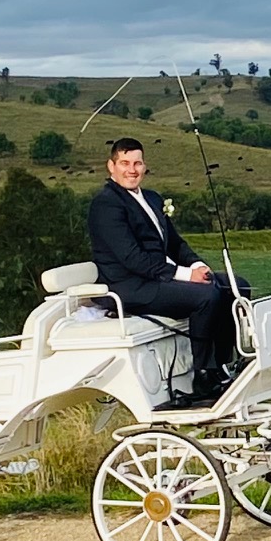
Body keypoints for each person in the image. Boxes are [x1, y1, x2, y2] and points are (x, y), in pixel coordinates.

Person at [86, 137, 245, 409]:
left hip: (157, 277)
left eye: (137, 163)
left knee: (236, 285)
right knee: (205, 297)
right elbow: (132, 259)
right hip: (130, 285)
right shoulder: (106, 204)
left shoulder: (151, 198)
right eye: (124, 163)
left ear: (144, 166)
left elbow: (174, 243)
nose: (131, 170)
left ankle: (223, 364)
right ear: (111, 166)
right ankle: (203, 375)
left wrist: (197, 265)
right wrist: (184, 276)